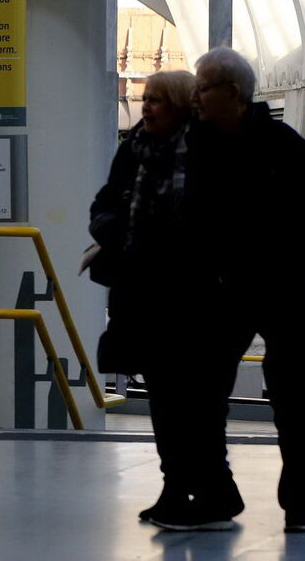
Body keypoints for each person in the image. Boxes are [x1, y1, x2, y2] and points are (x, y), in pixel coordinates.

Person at [89, 70, 242, 530]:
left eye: (157, 100)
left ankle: (212, 490)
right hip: (144, 296)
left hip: (201, 301)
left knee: (199, 403)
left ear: (181, 105)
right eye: (145, 98)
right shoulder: (133, 149)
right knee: (165, 401)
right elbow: (105, 203)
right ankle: (181, 488)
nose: (147, 107)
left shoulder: (208, 150)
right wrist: (112, 230)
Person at [187, 47, 305, 533]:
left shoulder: (282, 146)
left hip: (285, 289)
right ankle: (217, 493)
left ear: (231, 93)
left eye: (202, 88)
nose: (194, 98)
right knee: (199, 393)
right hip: (225, 288)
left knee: (294, 395)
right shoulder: (194, 144)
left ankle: (300, 501)